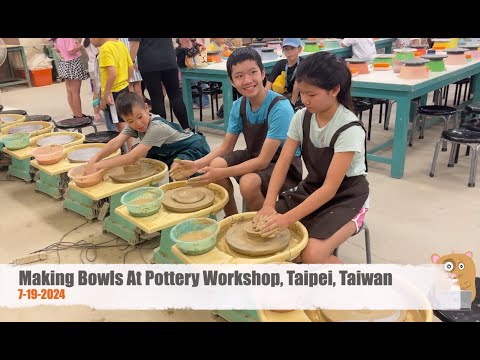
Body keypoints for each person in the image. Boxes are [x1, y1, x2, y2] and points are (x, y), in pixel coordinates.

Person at [253, 52, 369, 264]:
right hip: (314, 188)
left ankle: (354, 290)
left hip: (348, 197)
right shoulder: (301, 117)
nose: (305, 100)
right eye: (302, 92)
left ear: (335, 90)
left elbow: (330, 189)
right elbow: (283, 162)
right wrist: (269, 204)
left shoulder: (348, 128)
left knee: (311, 254)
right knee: (264, 232)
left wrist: (286, 219)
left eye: (312, 94)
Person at [169, 47, 303, 216]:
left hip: (284, 164)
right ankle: (233, 218)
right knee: (216, 163)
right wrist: (197, 164)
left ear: (263, 74)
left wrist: (219, 173)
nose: (247, 80)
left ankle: (266, 223)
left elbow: (263, 162)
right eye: (239, 76)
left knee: (248, 183)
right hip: (255, 154)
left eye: (252, 72)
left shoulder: (279, 107)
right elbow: (225, 148)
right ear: (232, 81)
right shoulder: (238, 105)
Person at [85, 92, 210, 176]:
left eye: (140, 117)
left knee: (177, 168)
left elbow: (132, 156)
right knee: (140, 156)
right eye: (130, 121)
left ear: (146, 108)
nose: (138, 123)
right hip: (170, 151)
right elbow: (115, 142)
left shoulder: (157, 127)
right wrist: (93, 160)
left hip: (193, 147)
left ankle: (184, 195)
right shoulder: (134, 125)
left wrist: (99, 165)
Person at [128, 38, 190, 130]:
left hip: (149, 62)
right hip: (169, 59)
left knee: (156, 98)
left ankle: (162, 132)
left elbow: (134, 43)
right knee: (175, 95)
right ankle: (187, 129)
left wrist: (130, 62)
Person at [91, 38, 133, 149]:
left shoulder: (105, 48)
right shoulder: (120, 44)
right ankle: (129, 149)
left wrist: (106, 94)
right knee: (124, 120)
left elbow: (112, 73)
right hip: (123, 87)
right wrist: (125, 82)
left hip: (113, 92)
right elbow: (130, 67)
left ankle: (126, 151)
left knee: (119, 123)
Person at [50, 38, 89, 118]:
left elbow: (57, 50)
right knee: (75, 93)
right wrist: (81, 46)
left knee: (70, 91)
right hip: (73, 63)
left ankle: (75, 114)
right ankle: (79, 116)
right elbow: (71, 51)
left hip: (64, 62)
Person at [266, 38, 303, 110]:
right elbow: (269, 83)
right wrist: (265, 101)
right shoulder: (280, 64)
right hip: (283, 96)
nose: (289, 52)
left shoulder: (303, 64)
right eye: (286, 49)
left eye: (292, 48)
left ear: (299, 49)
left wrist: (292, 105)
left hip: (299, 98)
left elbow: (297, 84)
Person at [175, 38, 210, 109]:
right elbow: (188, 55)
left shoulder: (189, 47)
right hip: (185, 72)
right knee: (195, 82)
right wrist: (197, 49)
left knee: (198, 82)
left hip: (190, 70)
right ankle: (201, 102)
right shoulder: (180, 50)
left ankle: (203, 102)